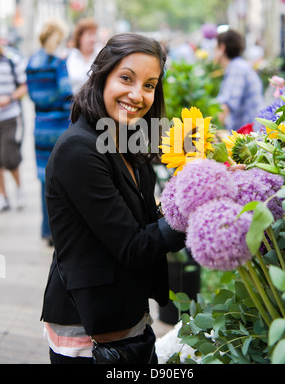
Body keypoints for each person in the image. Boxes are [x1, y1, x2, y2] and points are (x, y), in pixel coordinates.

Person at [41, 32, 185, 364]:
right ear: (102, 75)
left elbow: (145, 217)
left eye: (149, 85)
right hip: (90, 331)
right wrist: (194, 212)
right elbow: (132, 245)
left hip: (126, 315)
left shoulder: (124, 136)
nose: (138, 94)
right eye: (126, 78)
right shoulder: (78, 148)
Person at [25, 19, 72, 244]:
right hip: (59, 124)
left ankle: (46, 230)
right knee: (62, 177)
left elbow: (33, 95)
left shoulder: (31, 62)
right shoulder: (57, 62)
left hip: (40, 124)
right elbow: (65, 93)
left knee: (44, 177)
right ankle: (58, 230)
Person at [214, 29, 264, 132]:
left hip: (252, 139)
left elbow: (224, 107)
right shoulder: (239, 66)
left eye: (215, 48)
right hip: (250, 134)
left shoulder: (237, 69)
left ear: (222, 48)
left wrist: (206, 133)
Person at [0, 44, 27, 212]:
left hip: (9, 116)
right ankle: (3, 196)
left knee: (9, 157)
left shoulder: (12, 60)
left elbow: (24, 86)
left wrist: (9, 98)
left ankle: (19, 188)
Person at [66, 17, 98, 94]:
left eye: (94, 34)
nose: (93, 39)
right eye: (90, 34)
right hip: (72, 102)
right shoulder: (69, 56)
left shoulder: (100, 55)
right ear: (80, 37)